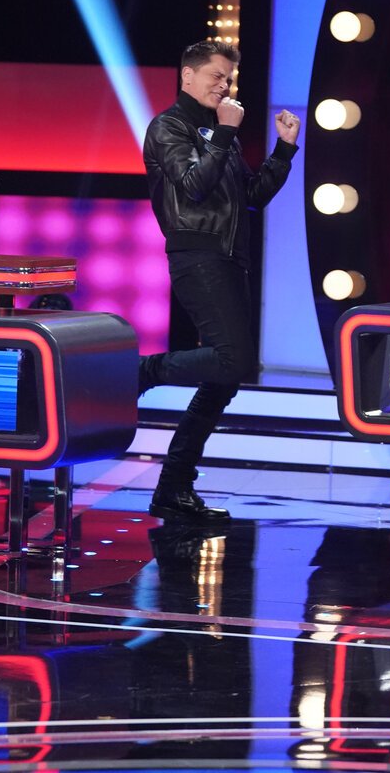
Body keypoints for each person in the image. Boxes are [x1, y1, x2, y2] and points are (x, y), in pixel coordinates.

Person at [138, 40, 299, 523]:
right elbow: (192, 185)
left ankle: (173, 488)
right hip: (198, 254)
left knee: (225, 378)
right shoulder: (169, 127)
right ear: (187, 75)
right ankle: (142, 372)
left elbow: (252, 195)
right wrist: (226, 133)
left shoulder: (215, 132)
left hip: (231, 258)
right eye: (216, 76)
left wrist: (284, 150)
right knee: (233, 360)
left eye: (228, 79)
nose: (225, 86)